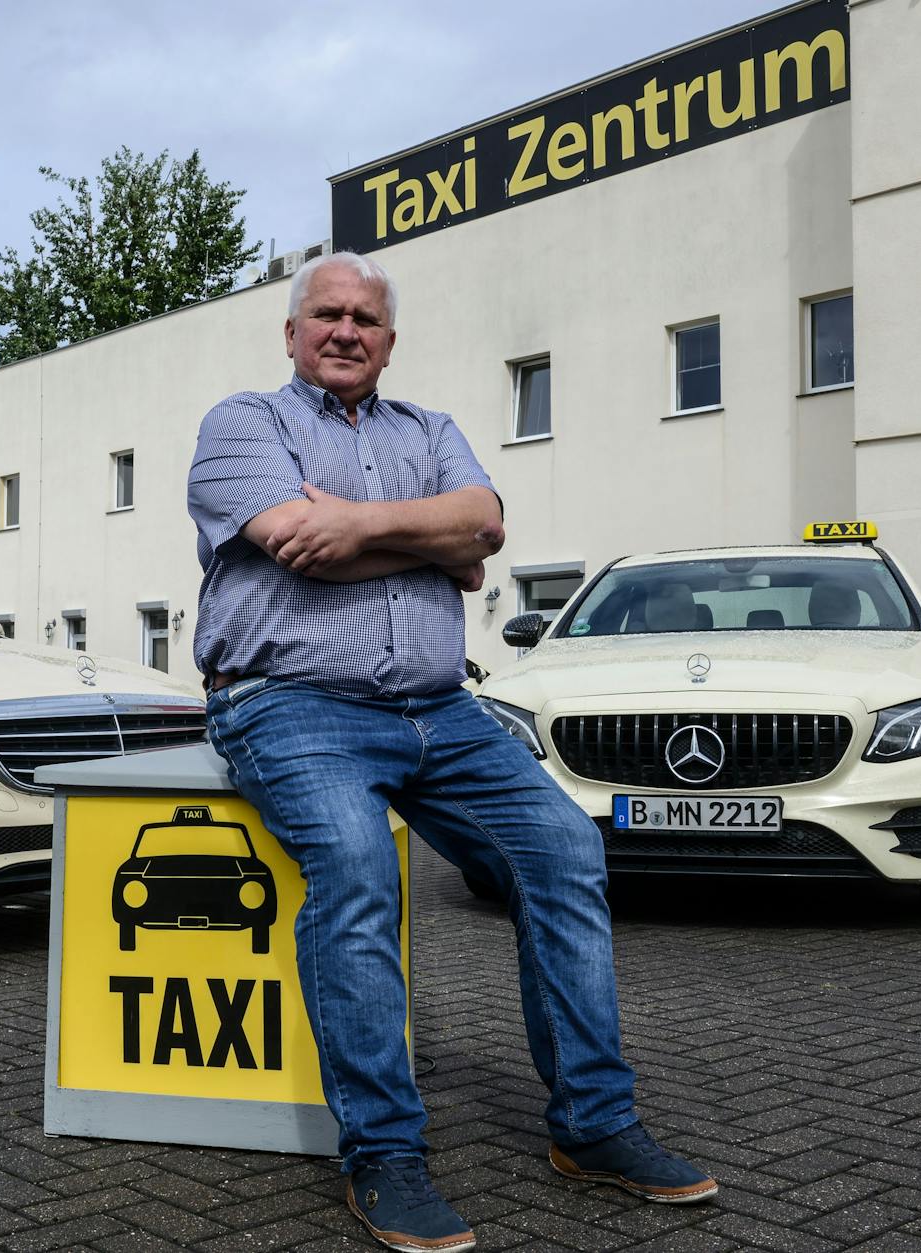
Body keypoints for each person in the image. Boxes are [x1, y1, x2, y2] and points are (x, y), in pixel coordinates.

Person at [187, 251, 716, 1252]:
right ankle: (382, 1152)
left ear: (389, 339)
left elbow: (484, 527)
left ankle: (594, 1126)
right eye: (326, 315)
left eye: (366, 320)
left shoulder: (429, 430)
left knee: (563, 845)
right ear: (292, 331)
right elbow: (315, 537)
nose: (345, 331)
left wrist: (363, 525)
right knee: (352, 867)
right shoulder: (241, 424)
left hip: (441, 708)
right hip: (288, 704)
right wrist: (429, 541)